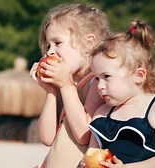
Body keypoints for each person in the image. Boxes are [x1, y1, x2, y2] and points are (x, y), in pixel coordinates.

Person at [30, 3, 110, 167]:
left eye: (58, 43)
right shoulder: (65, 86)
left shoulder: (96, 83)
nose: (50, 52)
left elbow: (83, 134)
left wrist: (66, 86)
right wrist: (51, 92)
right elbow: (46, 138)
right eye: (48, 45)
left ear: (89, 43)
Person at [84, 20, 155, 167]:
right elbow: (92, 154)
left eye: (107, 77)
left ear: (139, 75)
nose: (100, 86)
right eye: (97, 78)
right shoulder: (102, 114)